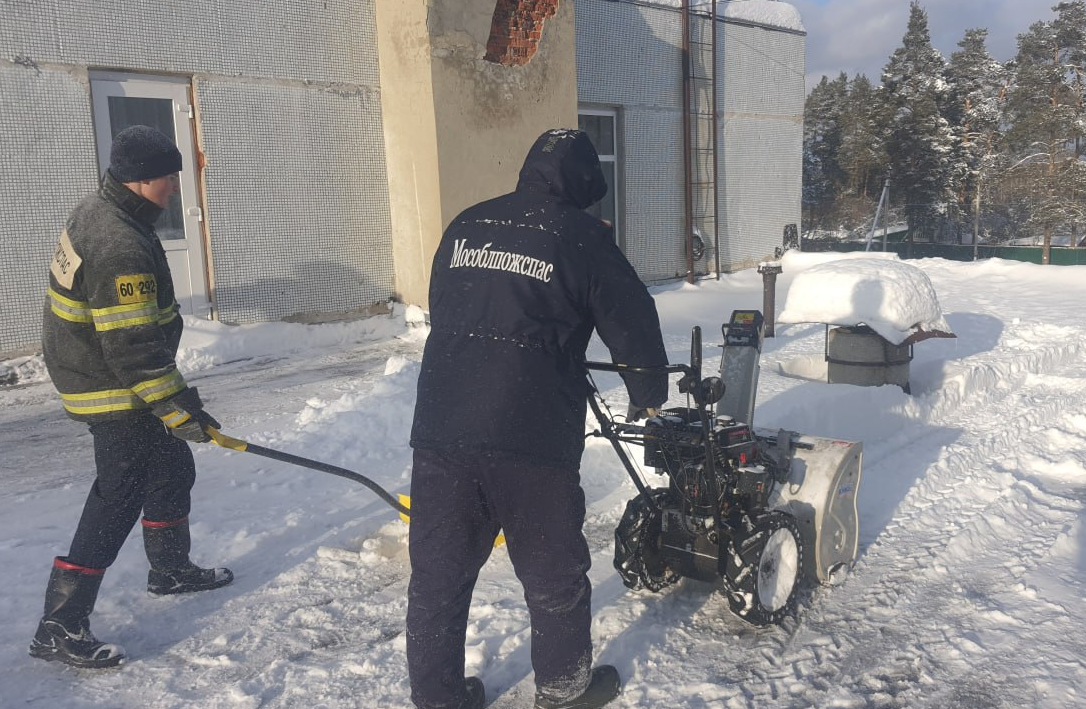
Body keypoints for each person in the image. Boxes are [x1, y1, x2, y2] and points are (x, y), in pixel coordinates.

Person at [407, 129, 669, 709]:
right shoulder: (580, 237)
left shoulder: (466, 225)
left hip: (442, 428)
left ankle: (438, 696)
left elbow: (450, 306)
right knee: (553, 576)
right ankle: (563, 690)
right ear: (583, 185)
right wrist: (648, 392)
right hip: (529, 437)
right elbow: (632, 323)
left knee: (437, 577)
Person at [29, 125, 233, 670]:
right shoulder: (118, 242)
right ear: (140, 178)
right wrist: (177, 406)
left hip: (105, 368)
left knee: (169, 467)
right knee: (119, 493)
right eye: (169, 176)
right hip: (110, 386)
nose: (174, 186)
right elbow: (135, 350)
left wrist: (175, 411)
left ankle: (170, 570)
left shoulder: (105, 208)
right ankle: (59, 625)